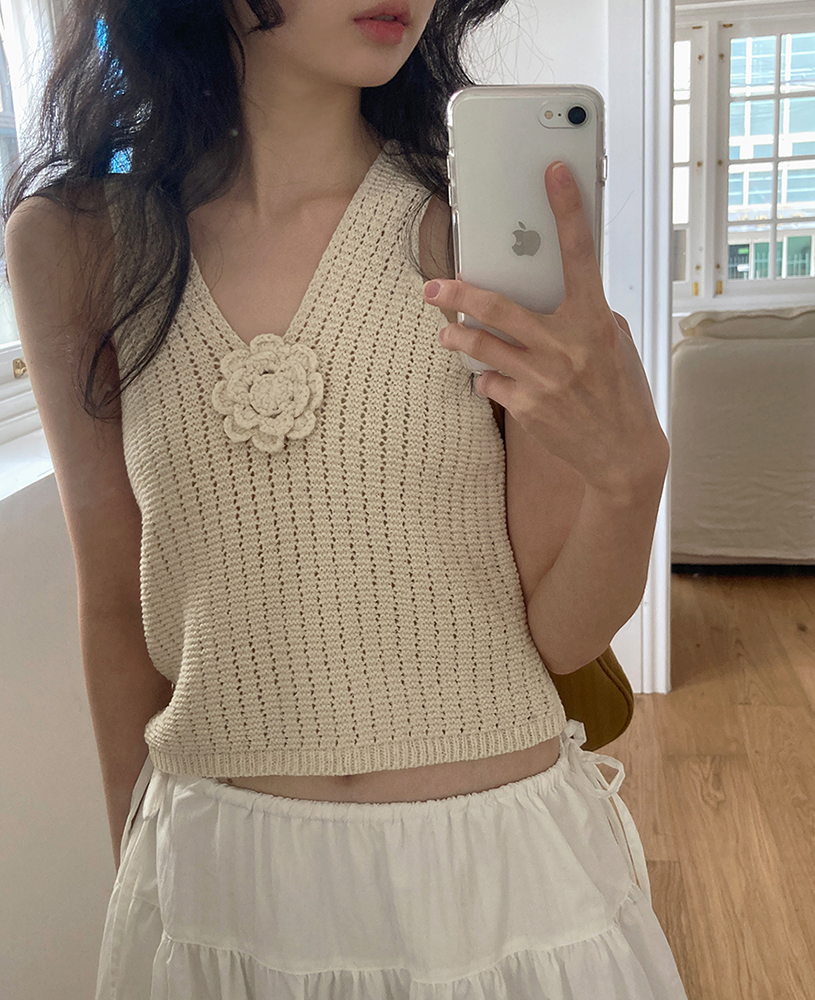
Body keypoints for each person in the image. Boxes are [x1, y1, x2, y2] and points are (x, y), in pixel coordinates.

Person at [3, 0, 689, 996]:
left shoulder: (479, 225)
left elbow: (556, 630)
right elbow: (114, 601)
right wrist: (137, 884)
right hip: (219, 887)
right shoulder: (80, 246)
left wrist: (629, 481)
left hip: (493, 886)